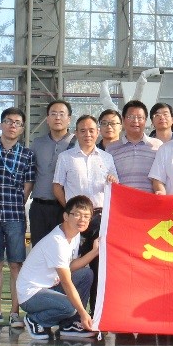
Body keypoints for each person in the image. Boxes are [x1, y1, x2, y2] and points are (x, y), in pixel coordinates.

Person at [52, 115, 119, 309]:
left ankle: (96, 312)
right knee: (73, 265)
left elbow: (116, 187)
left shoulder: (107, 158)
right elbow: (57, 187)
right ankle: (72, 312)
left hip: (99, 219)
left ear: (97, 132)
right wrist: (71, 211)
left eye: (91, 130)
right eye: (82, 130)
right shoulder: (66, 157)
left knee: (99, 266)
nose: (87, 134)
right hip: (75, 221)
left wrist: (113, 181)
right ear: (76, 132)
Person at [0, 107, 35, 328]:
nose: (13, 125)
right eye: (9, 121)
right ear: (0, 124)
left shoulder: (27, 154)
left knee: (15, 264)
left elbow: (28, 186)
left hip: (15, 216)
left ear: (22, 128)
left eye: (18, 123)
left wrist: (17, 204)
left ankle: (14, 312)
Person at [16, 195, 102, 340]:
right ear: (66, 216)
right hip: (31, 295)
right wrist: (83, 313)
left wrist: (95, 252)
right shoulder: (57, 241)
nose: (82, 219)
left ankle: (69, 324)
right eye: (77, 214)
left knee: (86, 274)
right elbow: (67, 282)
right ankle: (35, 319)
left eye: (87, 216)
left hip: (50, 287)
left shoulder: (74, 235)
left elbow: (71, 266)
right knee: (69, 306)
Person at [28, 100, 74, 247]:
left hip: (64, 207)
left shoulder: (77, 143)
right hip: (39, 208)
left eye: (61, 114)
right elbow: (30, 175)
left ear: (69, 119)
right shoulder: (37, 143)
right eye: (53, 114)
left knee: (62, 250)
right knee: (39, 249)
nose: (57, 118)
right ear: (47, 119)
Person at [107, 99, 161, 191]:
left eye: (140, 117)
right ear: (123, 120)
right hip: (123, 198)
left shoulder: (157, 145)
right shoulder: (111, 148)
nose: (135, 121)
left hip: (150, 198)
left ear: (145, 120)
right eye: (130, 117)